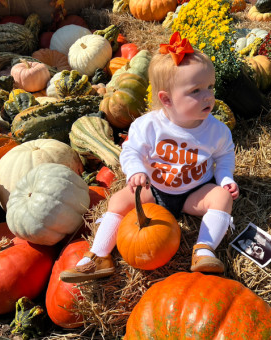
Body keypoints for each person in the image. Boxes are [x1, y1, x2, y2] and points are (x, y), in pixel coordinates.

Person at [60, 32, 239, 284]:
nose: (207, 96)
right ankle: (99, 255)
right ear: (166, 99)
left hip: (194, 192)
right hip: (153, 189)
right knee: (119, 201)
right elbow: (131, 151)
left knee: (221, 198)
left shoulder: (216, 130)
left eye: (210, 87)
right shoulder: (149, 126)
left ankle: (204, 250)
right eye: (196, 91)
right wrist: (135, 171)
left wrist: (225, 178)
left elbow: (224, 156)